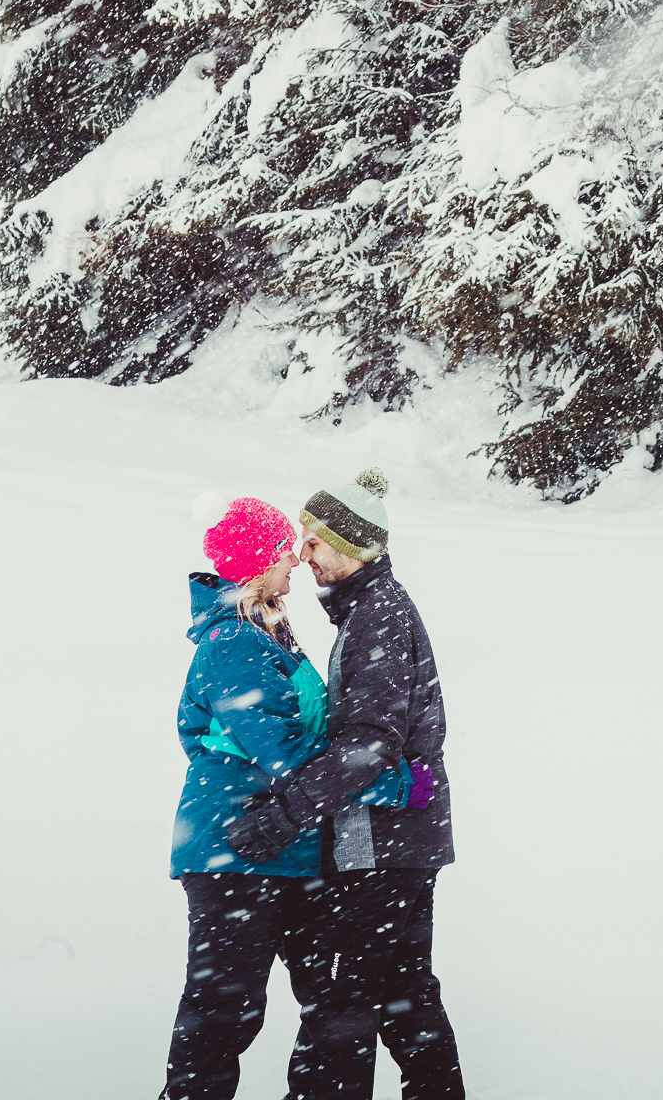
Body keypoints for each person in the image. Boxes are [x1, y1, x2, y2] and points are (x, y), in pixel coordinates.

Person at [163, 495, 422, 1100]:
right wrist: (395, 781)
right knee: (225, 1011)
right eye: (284, 553)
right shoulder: (233, 643)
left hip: (288, 850)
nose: (294, 565)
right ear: (258, 564)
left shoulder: (266, 631)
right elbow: (288, 751)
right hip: (234, 854)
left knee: (332, 1003)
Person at [225, 468, 465, 1100]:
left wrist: (285, 814)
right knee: (403, 995)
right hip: (403, 842)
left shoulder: (376, 619)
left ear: (354, 547)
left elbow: (368, 745)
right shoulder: (369, 613)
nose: (301, 557)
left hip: (383, 847)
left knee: (340, 1002)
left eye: (313, 541)